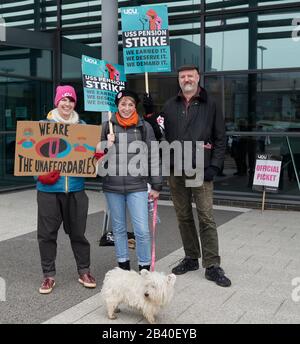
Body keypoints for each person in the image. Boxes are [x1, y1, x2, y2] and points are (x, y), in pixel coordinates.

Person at [143, 65, 231, 287]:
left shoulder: (211, 104)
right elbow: (158, 131)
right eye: (182, 76)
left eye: (190, 75)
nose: (186, 79)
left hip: (200, 168)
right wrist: (150, 113)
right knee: (182, 216)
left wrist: (216, 166)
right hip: (175, 168)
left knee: (206, 216)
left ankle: (211, 265)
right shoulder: (171, 105)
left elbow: (221, 138)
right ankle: (191, 257)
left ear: (198, 78)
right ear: (179, 80)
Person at [36, 85, 96, 294]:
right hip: (48, 190)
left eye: (71, 100)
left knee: (78, 233)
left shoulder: (83, 126)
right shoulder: (43, 125)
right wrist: (40, 175)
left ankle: (84, 271)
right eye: (64, 99)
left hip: (76, 189)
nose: (67, 104)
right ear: (57, 101)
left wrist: (94, 157)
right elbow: (31, 155)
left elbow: (88, 157)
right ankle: (48, 276)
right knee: (46, 234)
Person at [97, 89, 162, 271]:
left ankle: (144, 268)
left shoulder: (144, 127)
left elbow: (153, 156)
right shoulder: (106, 127)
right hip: (112, 186)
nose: (126, 108)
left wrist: (156, 184)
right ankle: (124, 267)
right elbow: (97, 161)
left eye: (130, 104)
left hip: (138, 186)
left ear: (135, 106)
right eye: (123, 104)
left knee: (141, 230)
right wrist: (105, 146)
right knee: (118, 230)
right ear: (117, 106)